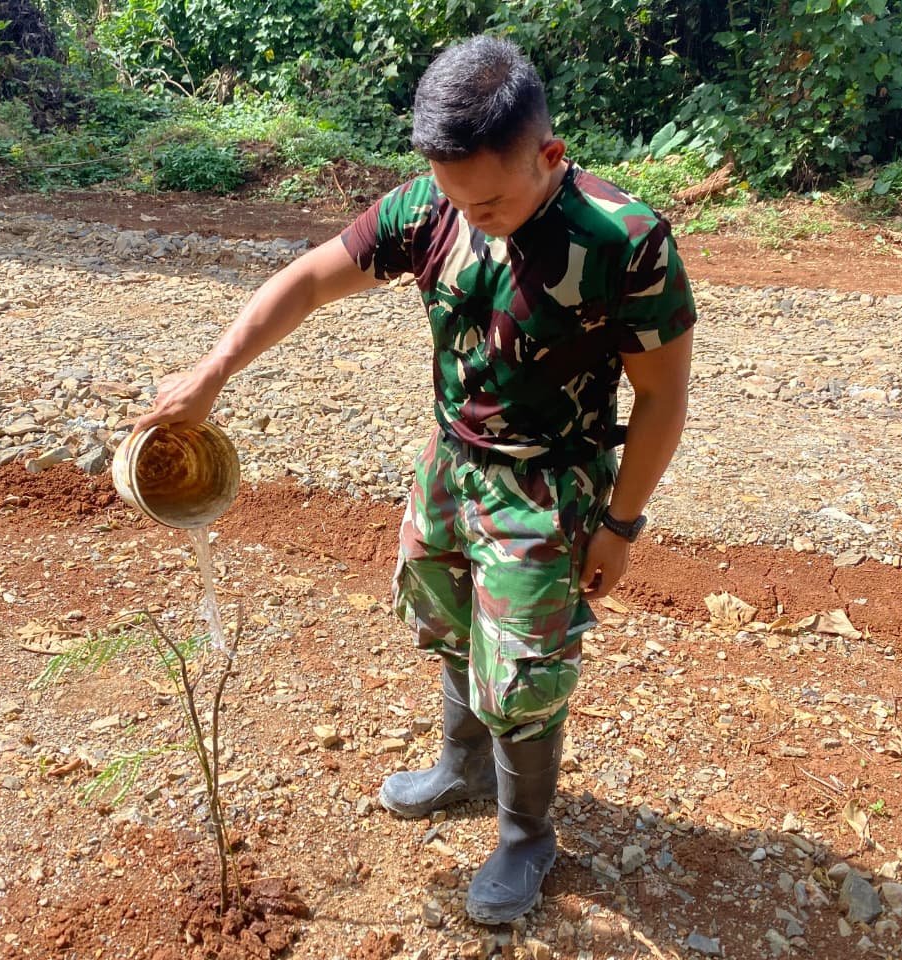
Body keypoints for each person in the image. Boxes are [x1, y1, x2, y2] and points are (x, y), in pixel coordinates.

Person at [133, 35, 696, 925]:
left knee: (525, 669)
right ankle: (461, 767)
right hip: (451, 465)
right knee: (441, 613)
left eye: (493, 201)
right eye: (453, 197)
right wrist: (214, 372)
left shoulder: (624, 240)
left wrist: (621, 527)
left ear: (549, 156)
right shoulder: (436, 208)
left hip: (546, 489)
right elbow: (310, 281)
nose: (473, 217)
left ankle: (525, 836)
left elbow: (664, 397)